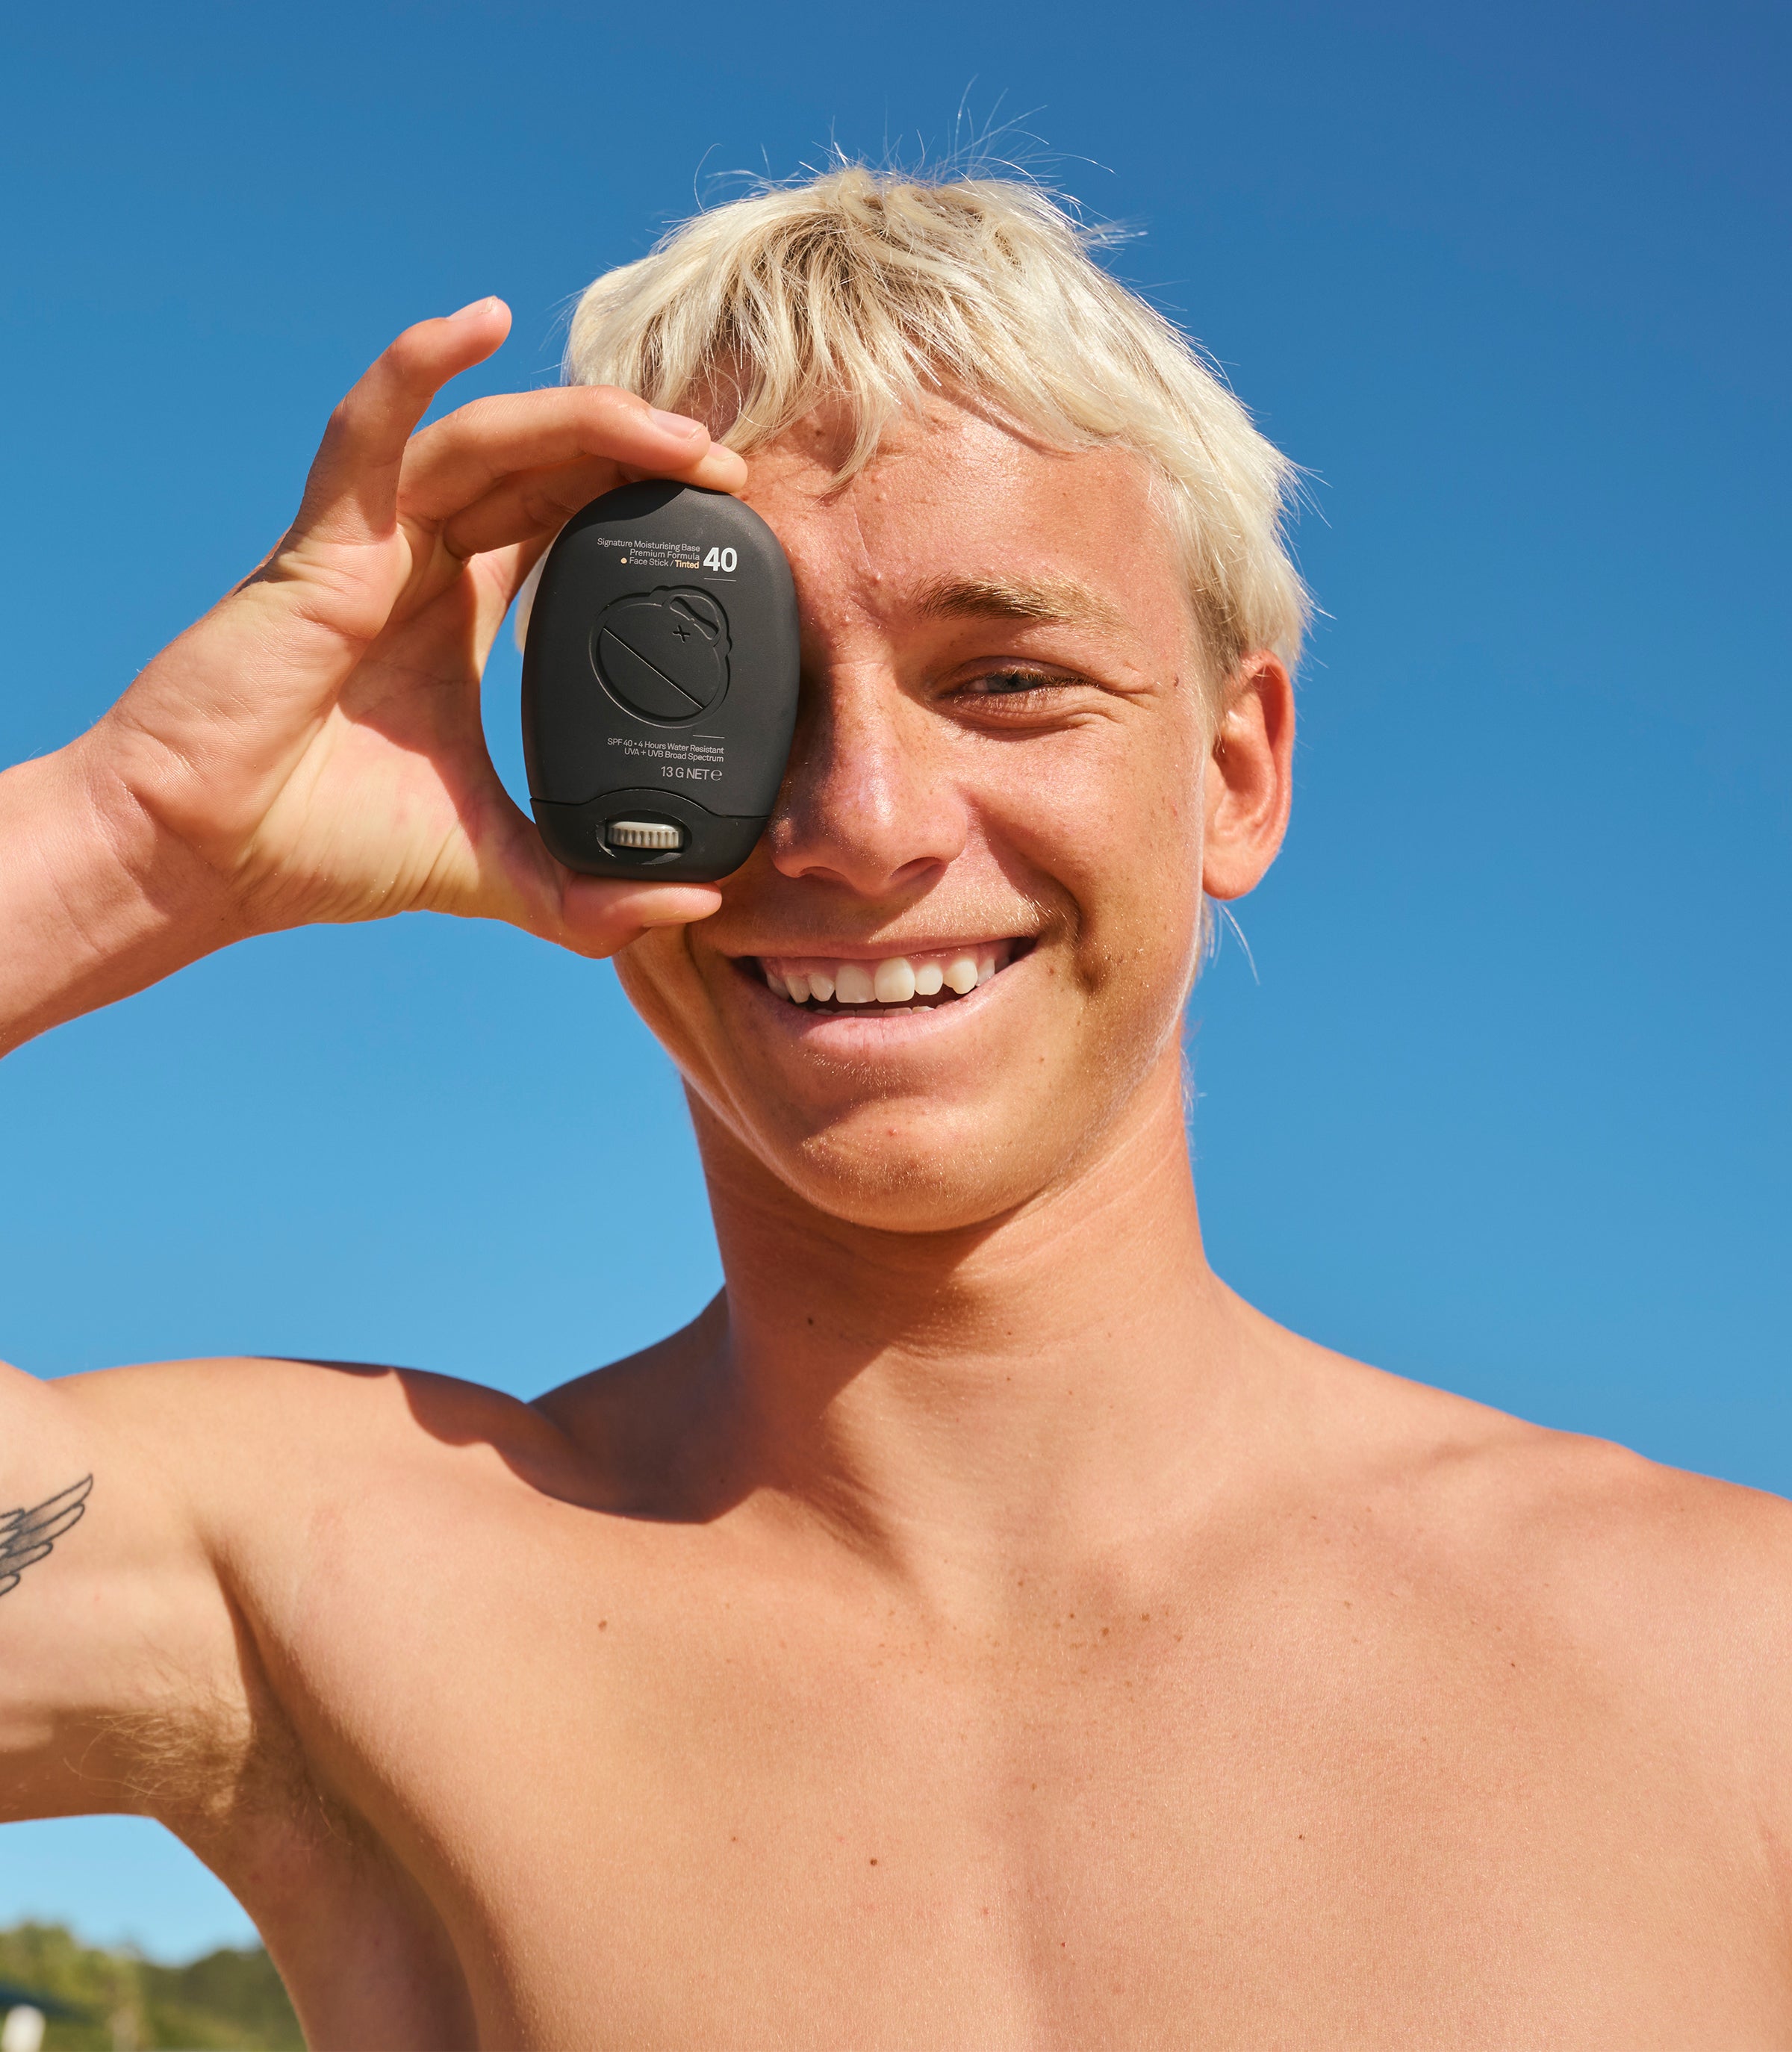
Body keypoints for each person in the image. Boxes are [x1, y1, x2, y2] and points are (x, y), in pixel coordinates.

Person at [1, 167, 1789, 2050]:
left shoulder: (1735, 1663)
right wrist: (128, 840)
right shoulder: (330, 1594)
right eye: (726, 690)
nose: (859, 827)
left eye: (1007, 680)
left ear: (1239, 771)